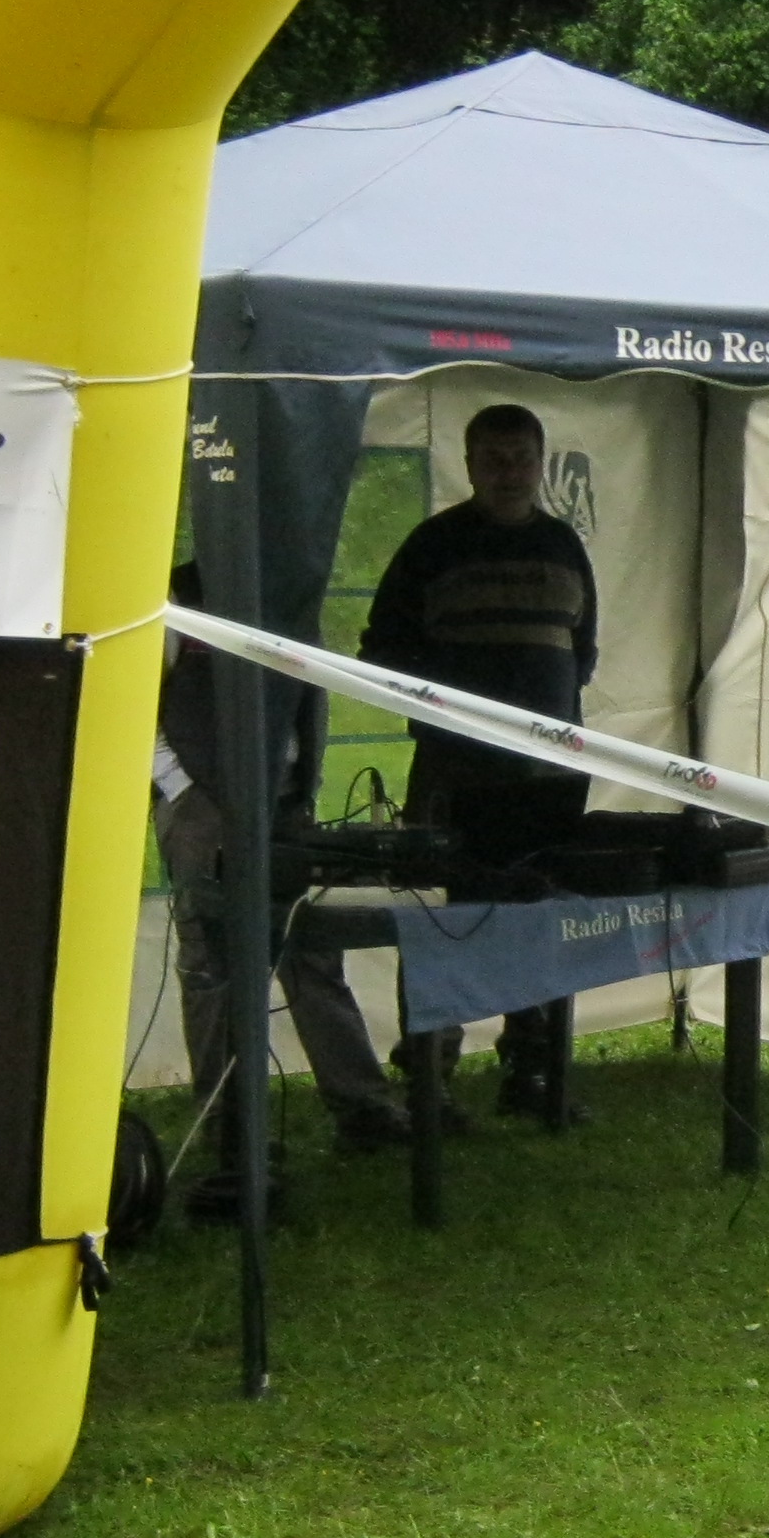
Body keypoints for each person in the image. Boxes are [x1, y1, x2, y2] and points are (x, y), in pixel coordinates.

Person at [359, 402, 601, 1121]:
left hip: (548, 776)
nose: (509, 473)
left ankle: (532, 1072)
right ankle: (429, 1079)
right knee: (449, 920)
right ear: (468, 466)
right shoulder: (433, 546)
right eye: (493, 460)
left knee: (539, 917)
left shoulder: (563, 545)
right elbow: (382, 651)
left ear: (540, 463)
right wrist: (451, 707)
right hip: (455, 771)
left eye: (521, 459)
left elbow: (582, 652)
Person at [155, 561, 413, 1171]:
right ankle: (229, 1128)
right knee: (212, 961)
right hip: (204, 806)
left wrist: (303, 787)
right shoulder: (177, 593)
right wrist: (180, 787)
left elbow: (308, 694)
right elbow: (135, 698)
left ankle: (364, 1108)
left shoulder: (289, 593)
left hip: (284, 800)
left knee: (312, 948)